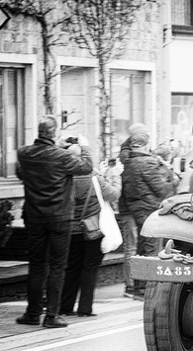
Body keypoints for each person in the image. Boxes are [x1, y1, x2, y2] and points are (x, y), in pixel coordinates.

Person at [15, 115, 93, 328]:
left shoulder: (24, 153)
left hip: (34, 217)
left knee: (37, 266)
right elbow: (86, 167)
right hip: (60, 218)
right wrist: (84, 146)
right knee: (58, 267)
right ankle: (51, 316)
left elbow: (21, 173)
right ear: (53, 133)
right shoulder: (61, 157)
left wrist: (56, 145)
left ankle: (32, 314)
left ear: (39, 132)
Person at [59, 135, 121, 318]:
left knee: (71, 267)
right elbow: (113, 195)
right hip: (93, 229)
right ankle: (85, 308)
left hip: (71, 229)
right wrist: (115, 175)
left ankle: (65, 306)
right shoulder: (94, 178)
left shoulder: (63, 177)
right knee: (89, 268)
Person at [118, 128, 180, 298]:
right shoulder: (147, 163)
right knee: (151, 249)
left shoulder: (129, 162)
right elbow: (160, 189)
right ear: (145, 145)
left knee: (141, 247)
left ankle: (139, 286)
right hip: (149, 209)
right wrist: (174, 182)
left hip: (136, 209)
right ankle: (147, 289)